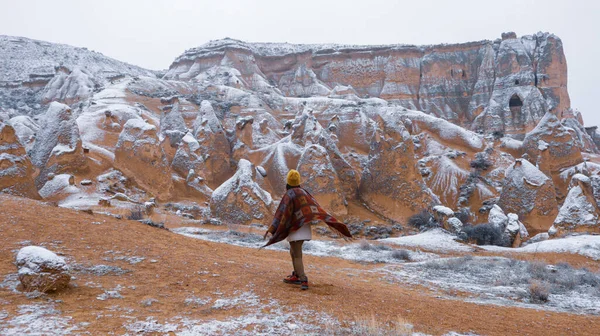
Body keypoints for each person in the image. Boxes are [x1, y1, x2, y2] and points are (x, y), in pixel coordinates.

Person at [263, 169, 352, 290]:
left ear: (288, 182)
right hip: (303, 227)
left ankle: (303, 279)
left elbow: (281, 213)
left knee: (297, 254)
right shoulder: (304, 192)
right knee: (293, 251)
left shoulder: (289, 194)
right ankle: (296, 275)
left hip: (295, 229)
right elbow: (315, 207)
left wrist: (272, 228)